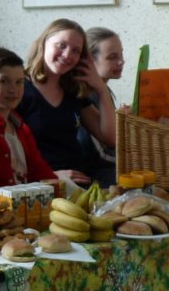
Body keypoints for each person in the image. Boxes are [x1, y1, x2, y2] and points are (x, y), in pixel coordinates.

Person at [17, 18, 116, 186]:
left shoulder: (73, 91)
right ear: (44, 43)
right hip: (39, 184)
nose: (68, 55)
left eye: (76, 51)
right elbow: (8, 153)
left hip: (79, 181)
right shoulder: (20, 88)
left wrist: (101, 88)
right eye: (61, 45)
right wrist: (49, 176)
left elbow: (110, 138)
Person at [0, 46, 56, 189]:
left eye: (19, 82)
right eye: (4, 81)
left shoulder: (21, 127)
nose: (13, 89)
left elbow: (39, 169)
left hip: (26, 199)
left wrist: (59, 188)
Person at [79, 27, 124, 167]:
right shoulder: (87, 95)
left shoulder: (104, 90)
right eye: (112, 57)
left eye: (121, 54)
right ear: (89, 61)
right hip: (96, 171)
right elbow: (100, 153)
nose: (121, 61)